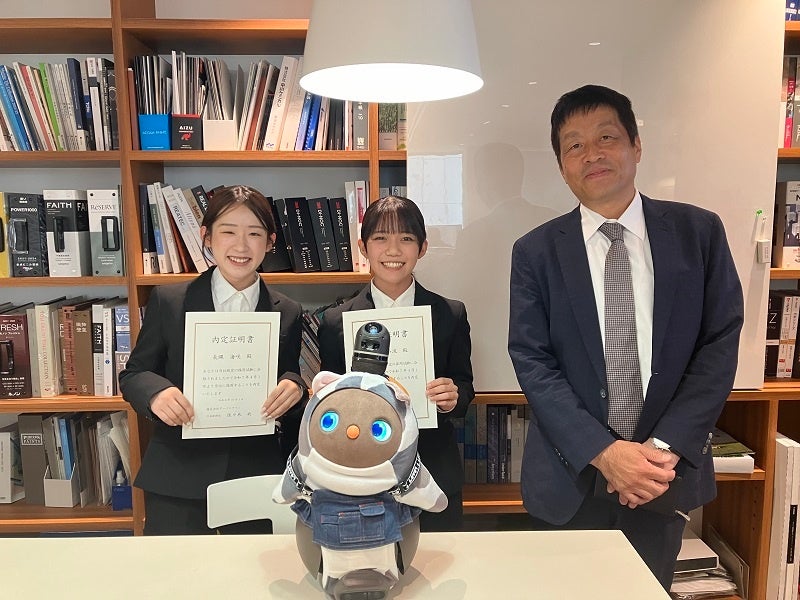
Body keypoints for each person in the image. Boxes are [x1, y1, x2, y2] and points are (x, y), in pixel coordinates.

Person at [507, 85, 744, 589]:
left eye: (606, 137)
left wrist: (660, 451)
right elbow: (532, 359)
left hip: (661, 476)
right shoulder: (535, 252)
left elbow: (719, 344)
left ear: (636, 145)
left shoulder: (698, 233)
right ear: (561, 166)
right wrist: (606, 453)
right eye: (574, 145)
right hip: (571, 476)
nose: (591, 154)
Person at [120, 184, 308, 535]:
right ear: (206, 237)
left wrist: (295, 388)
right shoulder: (169, 300)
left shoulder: (288, 311)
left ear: (270, 242)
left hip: (256, 471)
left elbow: (288, 373)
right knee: (176, 568)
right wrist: (157, 393)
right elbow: (135, 374)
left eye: (254, 234)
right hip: (179, 472)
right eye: (228, 232)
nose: (241, 246)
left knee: (252, 567)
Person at [318, 196, 475, 532]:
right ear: (363, 247)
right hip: (360, 473)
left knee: (439, 558)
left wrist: (452, 397)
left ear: (423, 248)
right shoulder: (336, 321)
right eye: (380, 238)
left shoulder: (450, 314)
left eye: (406, 238)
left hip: (433, 468)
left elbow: (464, 388)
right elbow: (329, 402)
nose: (393, 250)